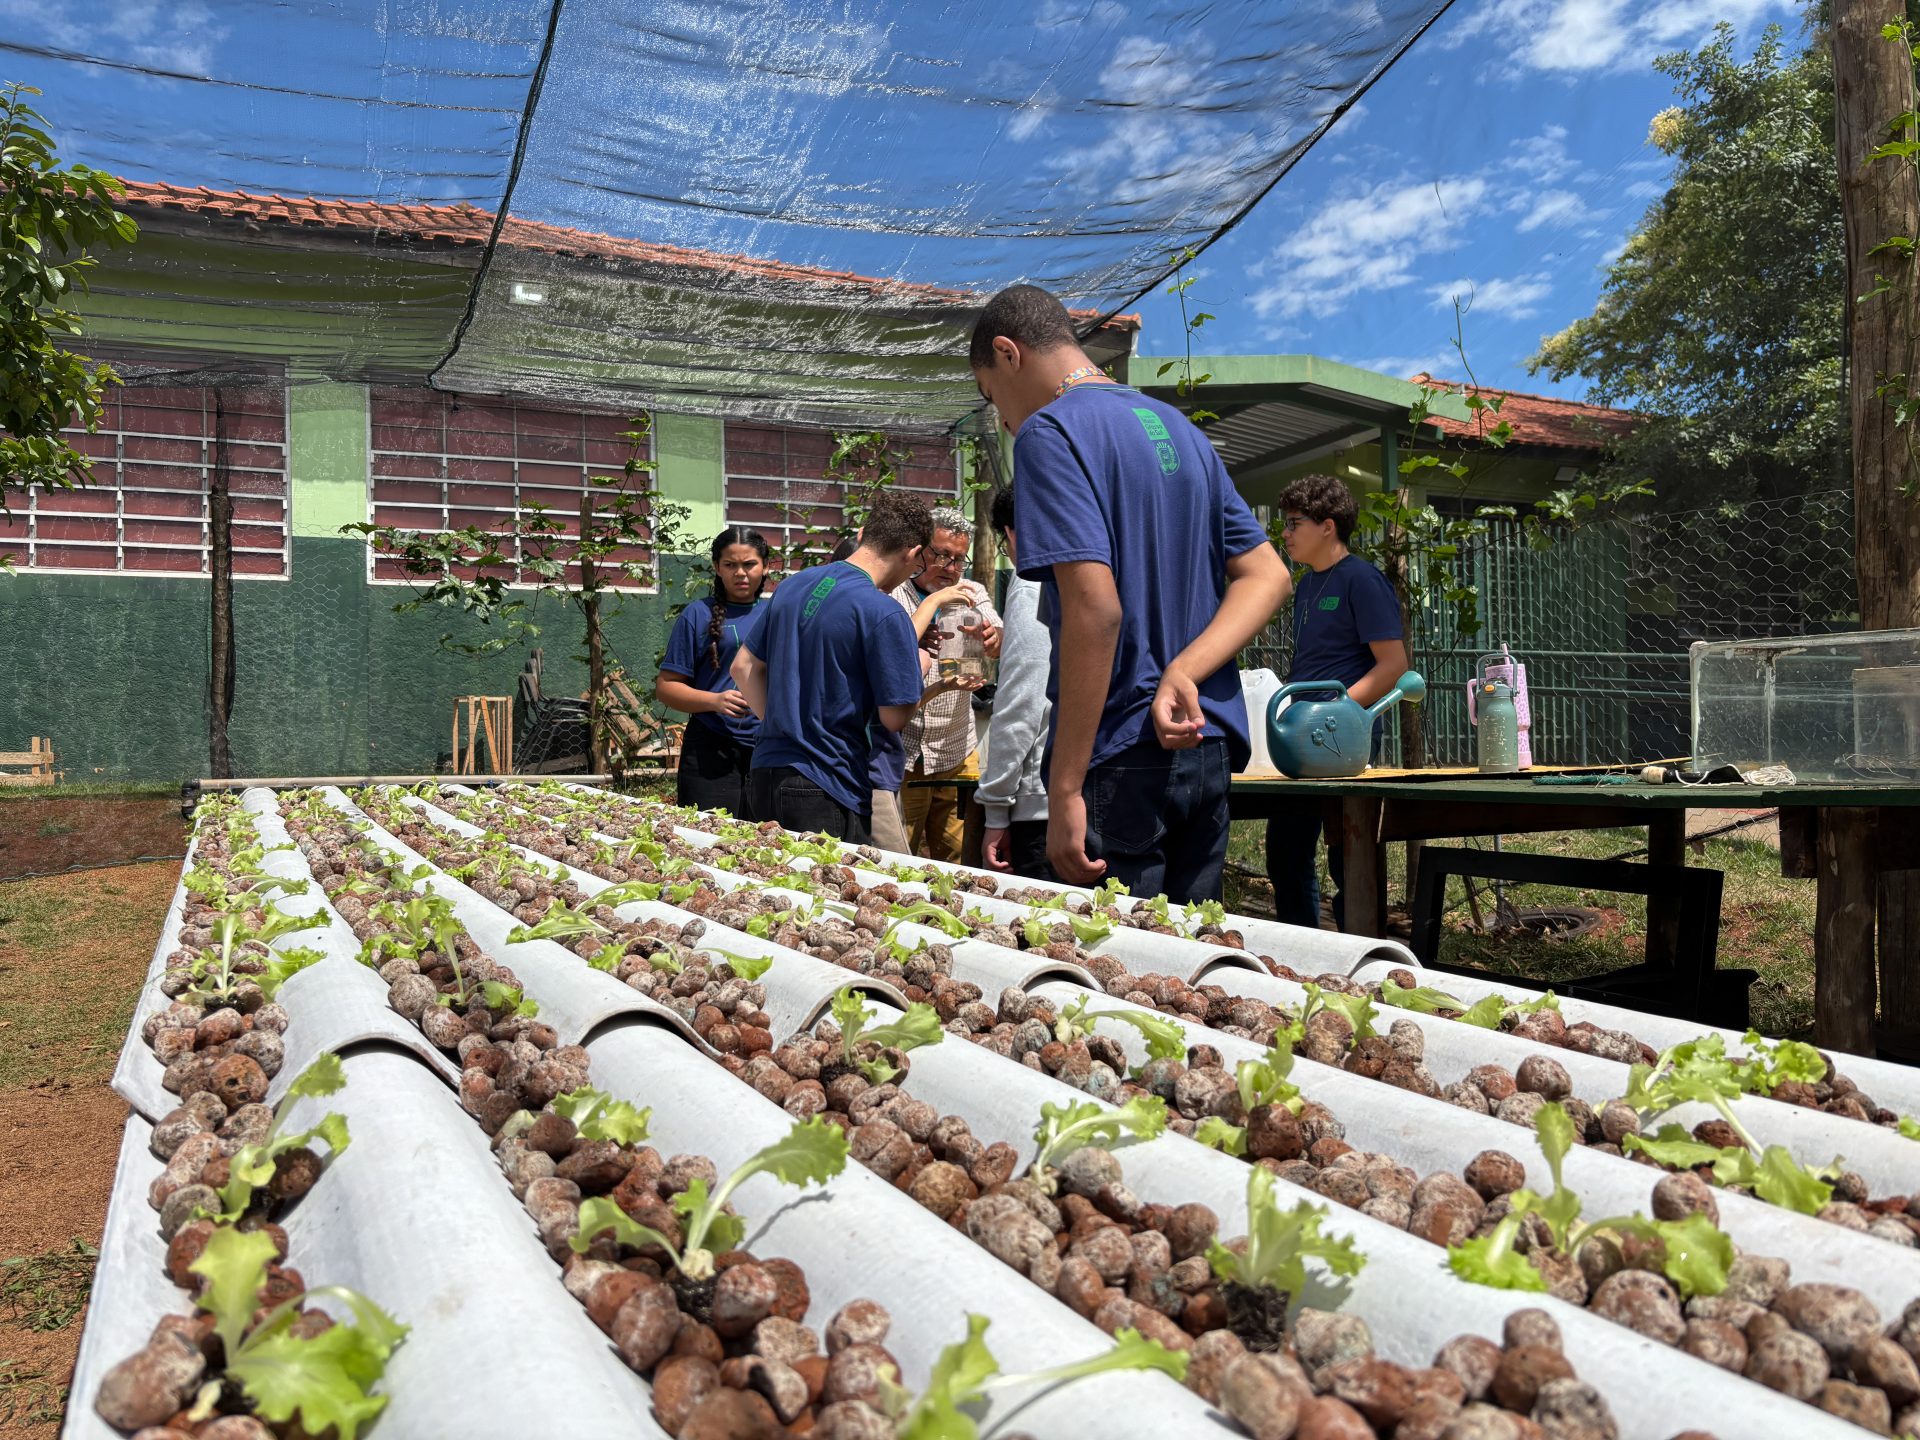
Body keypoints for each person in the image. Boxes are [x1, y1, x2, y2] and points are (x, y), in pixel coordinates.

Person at [970, 283, 1290, 902]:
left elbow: (1095, 610)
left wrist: (1064, 787)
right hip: (1207, 745)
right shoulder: (1180, 428)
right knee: (1193, 952)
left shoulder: (1049, 432)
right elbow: (1268, 575)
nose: (1004, 420)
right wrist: (1184, 670)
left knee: (1118, 955)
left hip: (1121, 749)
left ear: (1009, 353)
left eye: (991, 396)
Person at [731, 491, 931, 842]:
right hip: (828, 782)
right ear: (913, 553)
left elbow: (743, 667)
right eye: (919, 565)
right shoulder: (884, 611)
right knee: (828, 880)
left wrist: (786, 727)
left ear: (863, 534)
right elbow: (893, 718)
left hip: (764, 774)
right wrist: (919, 668)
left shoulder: (792, 585)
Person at [1263, 474, 1409, 928]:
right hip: (1302, 735)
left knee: (1347, 856)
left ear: (1327, 526)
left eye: (1294, 523)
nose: (1285, 533)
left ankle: (1361, 947)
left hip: (1342, 736)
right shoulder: (1306, 585)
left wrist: (1336, 713)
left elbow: (1393, 665)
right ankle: (1301, 951)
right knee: (1285, 852)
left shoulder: (1362, 580)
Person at [890, 505, 1002, 861]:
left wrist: (993, 636)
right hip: (904, 752)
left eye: (958, 559)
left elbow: (996, 630)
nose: (951, 568)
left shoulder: (970, 590)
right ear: (920, 550)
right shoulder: (894, 592)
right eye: (942, 556)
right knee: (897, 853)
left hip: (956, 748)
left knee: (958, 857)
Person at [653, 527, 770, 817]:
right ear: (717, 567)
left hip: (769, 748)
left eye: (749, 564)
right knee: (711, 835)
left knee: (766, 838)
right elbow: (666, 687)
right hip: (710, 748)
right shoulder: (697, 614)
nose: (740, 573)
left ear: (765, 566)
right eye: (730, 565)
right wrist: (715, 701)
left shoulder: (779, 613)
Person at [977, 486, 1053, 880]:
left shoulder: (1031, 582)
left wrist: (995, 810)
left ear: (1012, 532)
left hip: (1041, 804)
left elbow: (1022, 702)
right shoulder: (1105, 573)